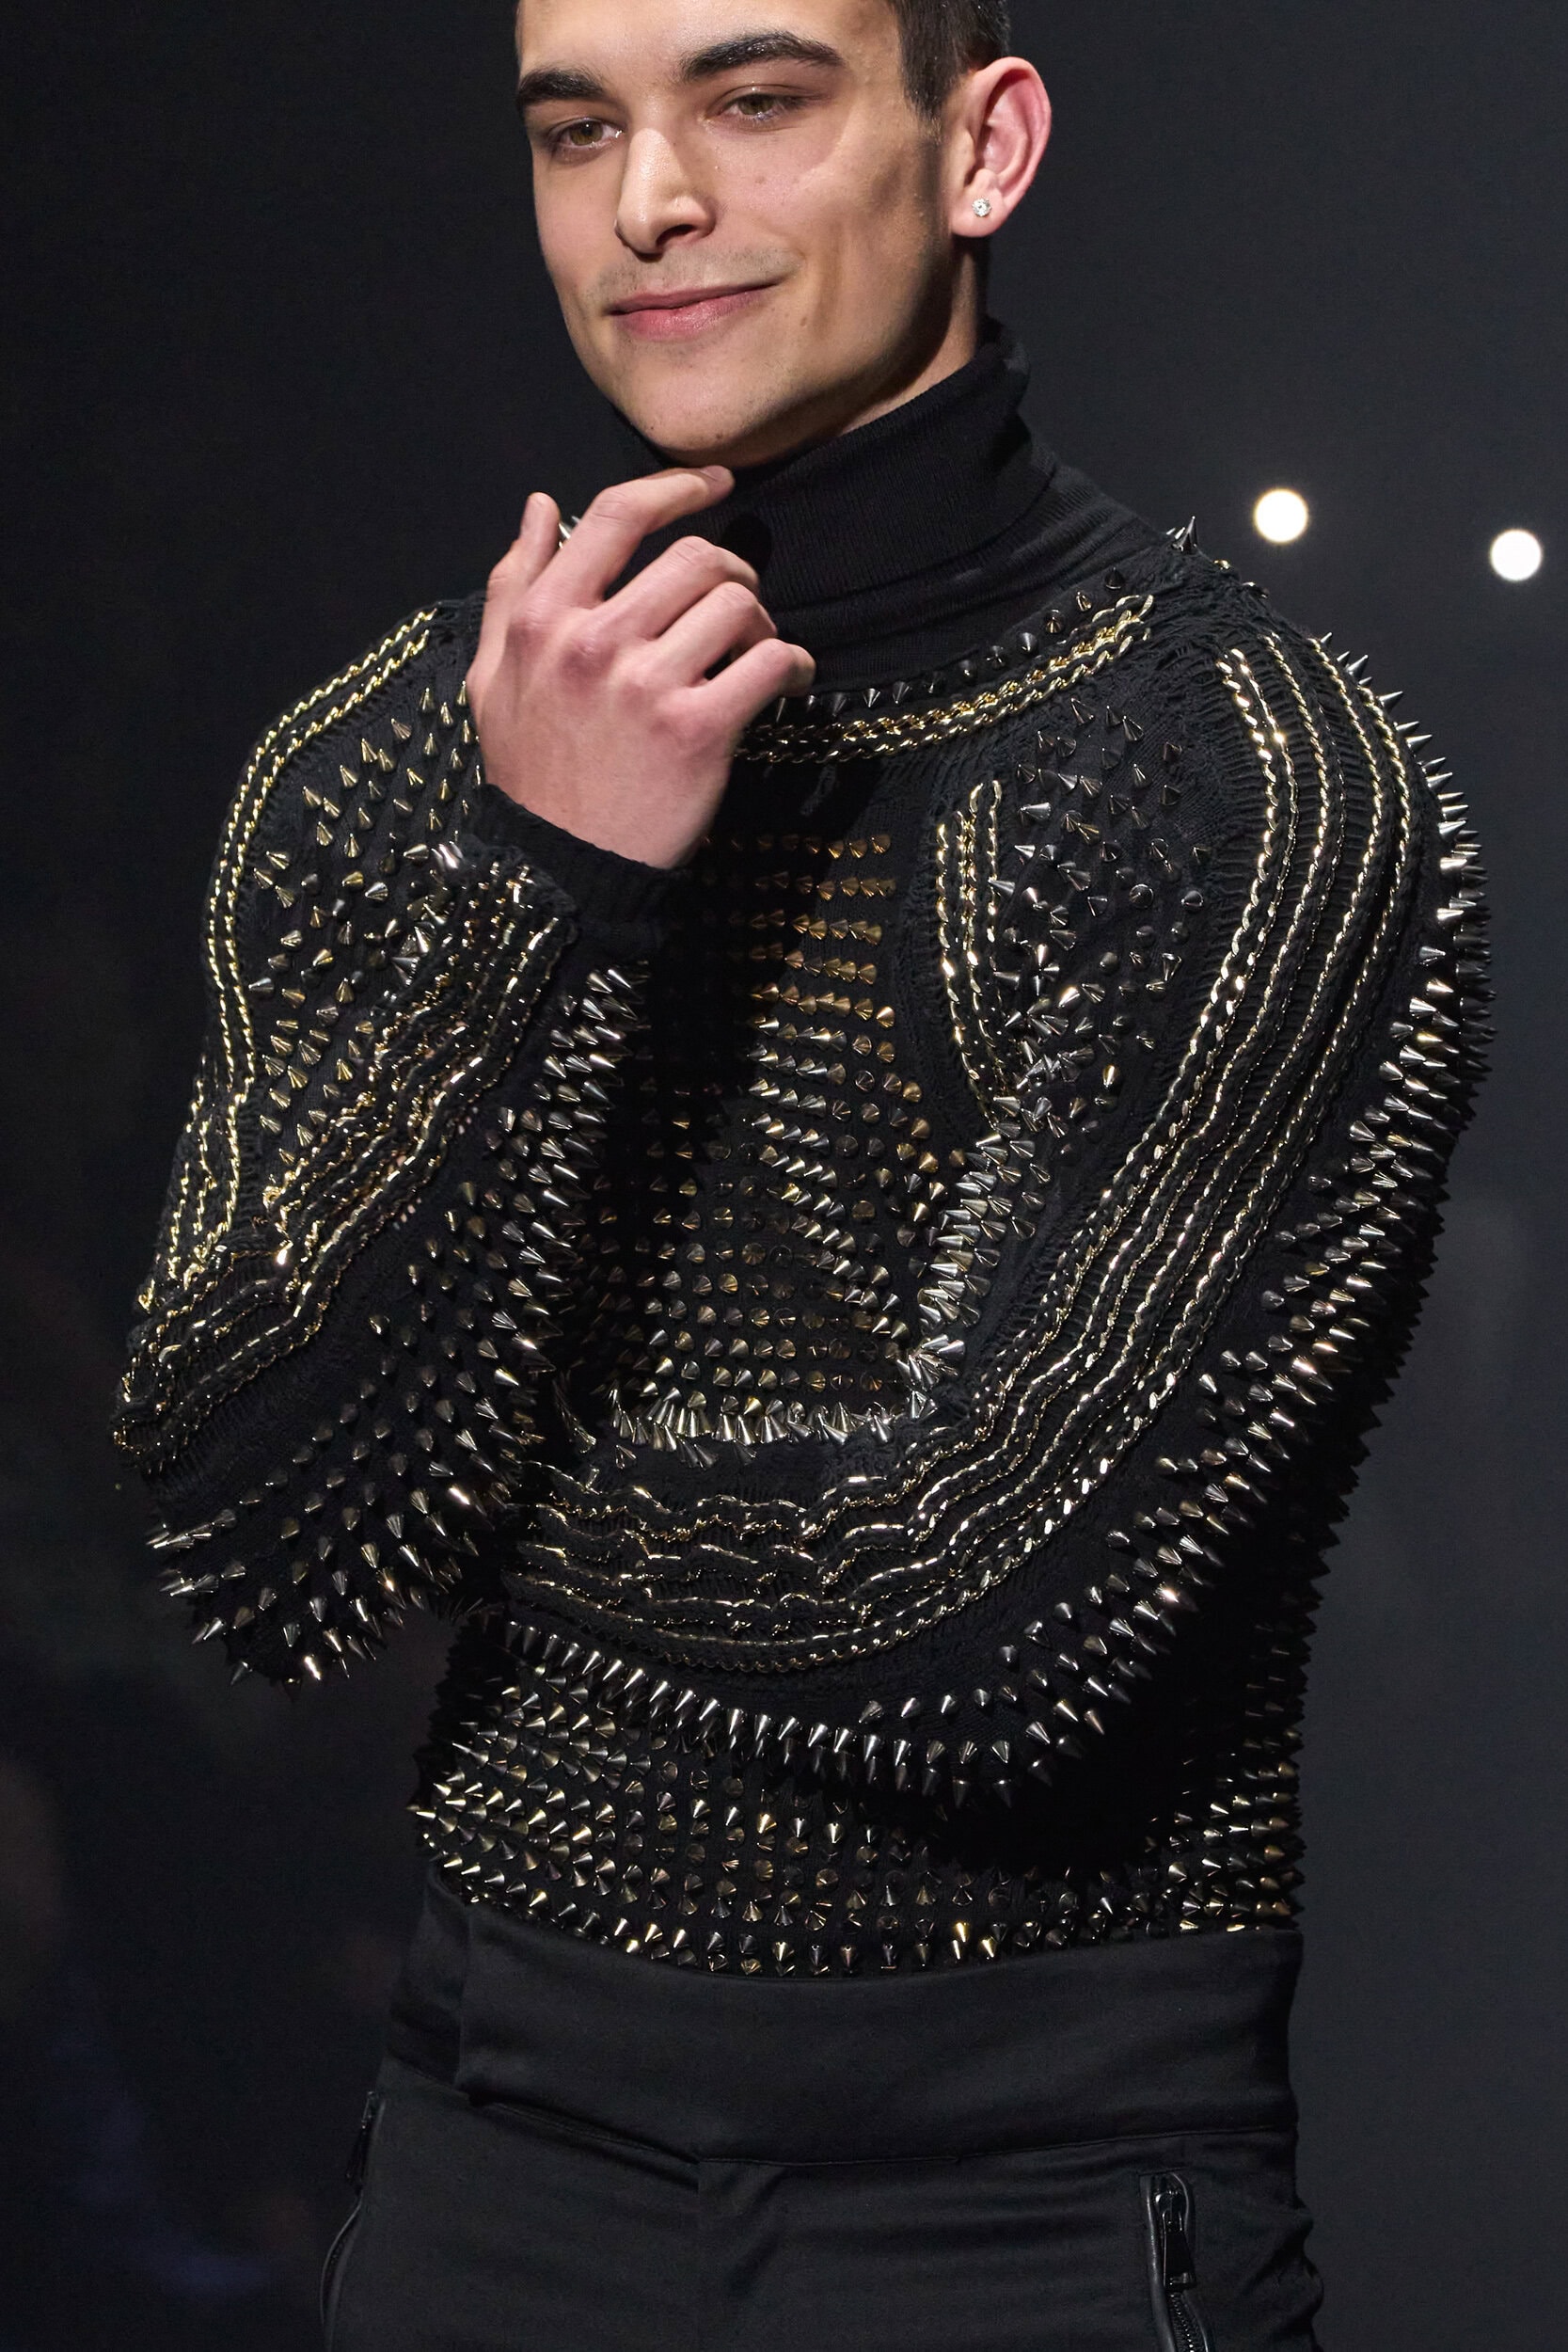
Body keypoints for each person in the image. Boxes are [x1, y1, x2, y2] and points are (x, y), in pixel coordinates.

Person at [117, 1, 1488, 2344]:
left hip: (1033, 2200)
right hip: (492, 2154)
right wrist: (550, 878)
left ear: (985, 144)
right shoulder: (393, 761)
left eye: (756, 100)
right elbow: (238, 1525)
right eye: (578, 128)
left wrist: (430, 1480)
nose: (651, 200)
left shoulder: (1248, 775)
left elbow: (987, 1617)